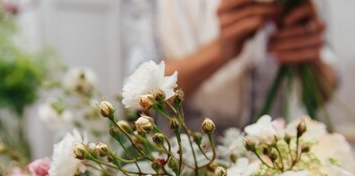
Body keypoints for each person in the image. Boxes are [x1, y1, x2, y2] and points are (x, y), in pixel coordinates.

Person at [124, 0, 337, 129]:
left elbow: (324, 92)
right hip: (183, 168)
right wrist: (221, 50)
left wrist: (308, 54)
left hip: (271, 165)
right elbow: (141, 99)